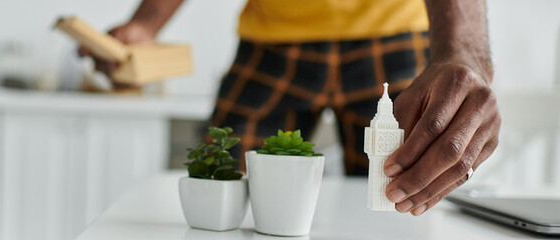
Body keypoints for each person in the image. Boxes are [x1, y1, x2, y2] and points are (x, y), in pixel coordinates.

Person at [78, 0, 500, 216]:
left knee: (407, 200)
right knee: (219, 179)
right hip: (273, 35)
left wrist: (461, 50)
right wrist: (146, 23)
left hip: (394, 32)